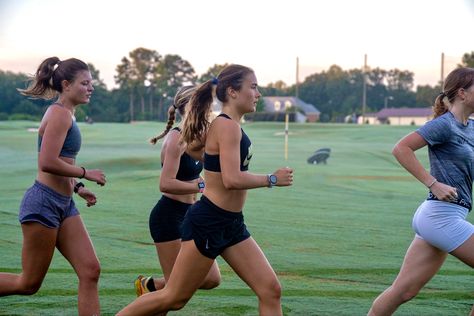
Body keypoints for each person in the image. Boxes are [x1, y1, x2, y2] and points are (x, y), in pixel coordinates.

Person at [117, 64, 294, 316]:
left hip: (231, 223)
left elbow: (191, 147)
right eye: (253, 87)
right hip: (209, 221)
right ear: (232, 91)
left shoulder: (225, 126)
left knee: (270, 289)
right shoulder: (227, 126)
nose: (258, 94)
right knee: (174, 298)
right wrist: (272, 179)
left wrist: (208, 159)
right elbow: (231, 179)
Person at [0, 57, 106, 316]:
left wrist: (78, 186)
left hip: (64, 203)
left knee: (90, 270)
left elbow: (63, 159)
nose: (91, 87)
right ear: (67, 85)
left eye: (91, 83)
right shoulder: (59, 114)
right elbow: (47, 162)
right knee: (28, 283)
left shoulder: (67, 113)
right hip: (43, 203)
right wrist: (86, 173)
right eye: (85, 83)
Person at [368, 67, 474, 316]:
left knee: (404, 291)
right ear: (462, 93)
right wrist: (433, 183)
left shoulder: (470, 126)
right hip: (440, 216)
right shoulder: (443, 125)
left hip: (441, 218)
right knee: (402, 291)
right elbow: (401, 148)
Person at [134, 85, 221, 296]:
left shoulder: (197, 136)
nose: (209, 108)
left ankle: (150, 286)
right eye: (205, 103)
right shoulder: (176, 139)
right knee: (174, 293)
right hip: (169, 217)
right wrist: (200, 185)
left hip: (192, 215)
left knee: (211, 278)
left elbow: (191, 173)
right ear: (193, 106)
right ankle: (149, 295)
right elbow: (166, 183)